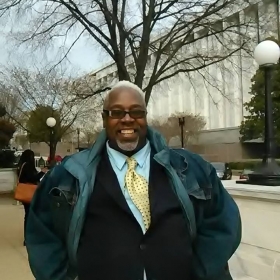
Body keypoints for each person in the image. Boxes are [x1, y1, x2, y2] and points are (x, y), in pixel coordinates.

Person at [26, 81, 241, 280]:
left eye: (136, 112)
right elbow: (42, 235)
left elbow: (222, 224)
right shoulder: (67, 174)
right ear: (104, 118)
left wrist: (201, 273)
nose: (127, 119)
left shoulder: (191, 168)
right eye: (117, 112)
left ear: (145, 116)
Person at [17, 149, 46, 246]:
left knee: (28, 215)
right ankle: (29, 238)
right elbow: (32, 179)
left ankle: (28, 238)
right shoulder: (28, 166)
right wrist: (42, 172)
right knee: (30, 216)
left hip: (25, 193)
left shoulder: (21, 165)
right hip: (30, 193)